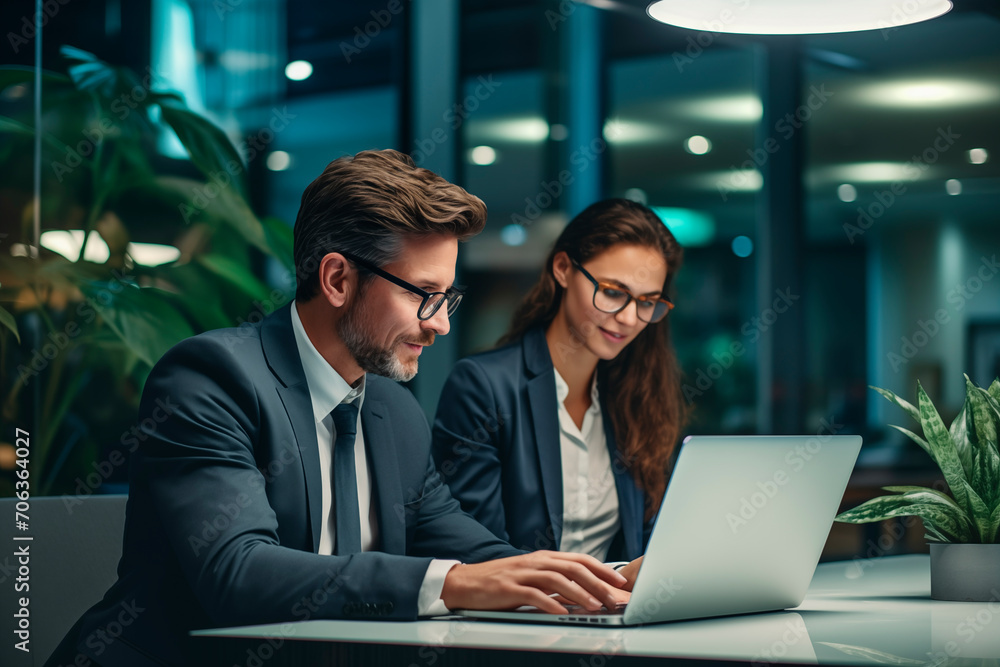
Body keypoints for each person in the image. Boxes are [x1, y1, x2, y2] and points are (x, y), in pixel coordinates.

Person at [47, 150, 629, 667]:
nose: (441, 324)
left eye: (447, 297)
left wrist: (598, 582)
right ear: (336, 278)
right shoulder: (211, 378)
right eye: (423, 296)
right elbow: (238, 572)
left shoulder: (395, 415)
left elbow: (474, 555)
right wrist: (453, 583)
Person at [432, 198, 688, 570]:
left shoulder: (638, 394)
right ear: (564, 269)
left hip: (615, 618)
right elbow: (474, 551)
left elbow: (648, 540)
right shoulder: (484, 385)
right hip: (514, 620)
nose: (630, 318)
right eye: (614, 293)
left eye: (648, 302)